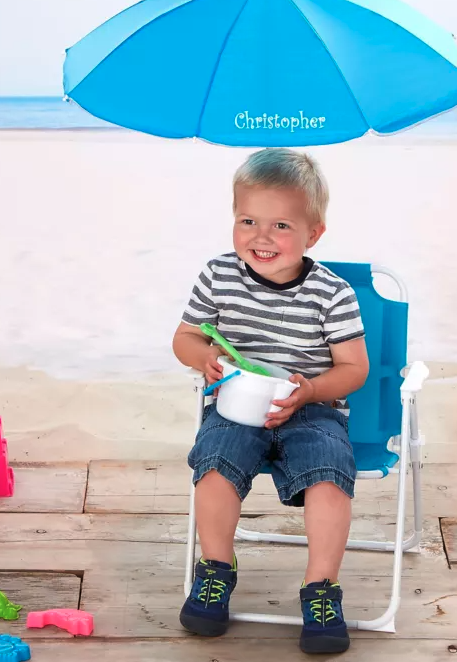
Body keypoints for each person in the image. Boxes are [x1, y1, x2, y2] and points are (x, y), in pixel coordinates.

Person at [172, 148, 369, 654]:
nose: (261, 237)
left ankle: (321, 588)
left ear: (314, 233)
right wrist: (206, 357)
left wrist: (310, 391)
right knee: (214, 463)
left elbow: (354, 369)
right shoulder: (219, 276)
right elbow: (184, 338)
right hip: (237, 403)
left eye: (281, 225)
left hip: (310, 409)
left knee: (328, 472)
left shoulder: (332, 294)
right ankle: (216, 568)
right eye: (248, 220)